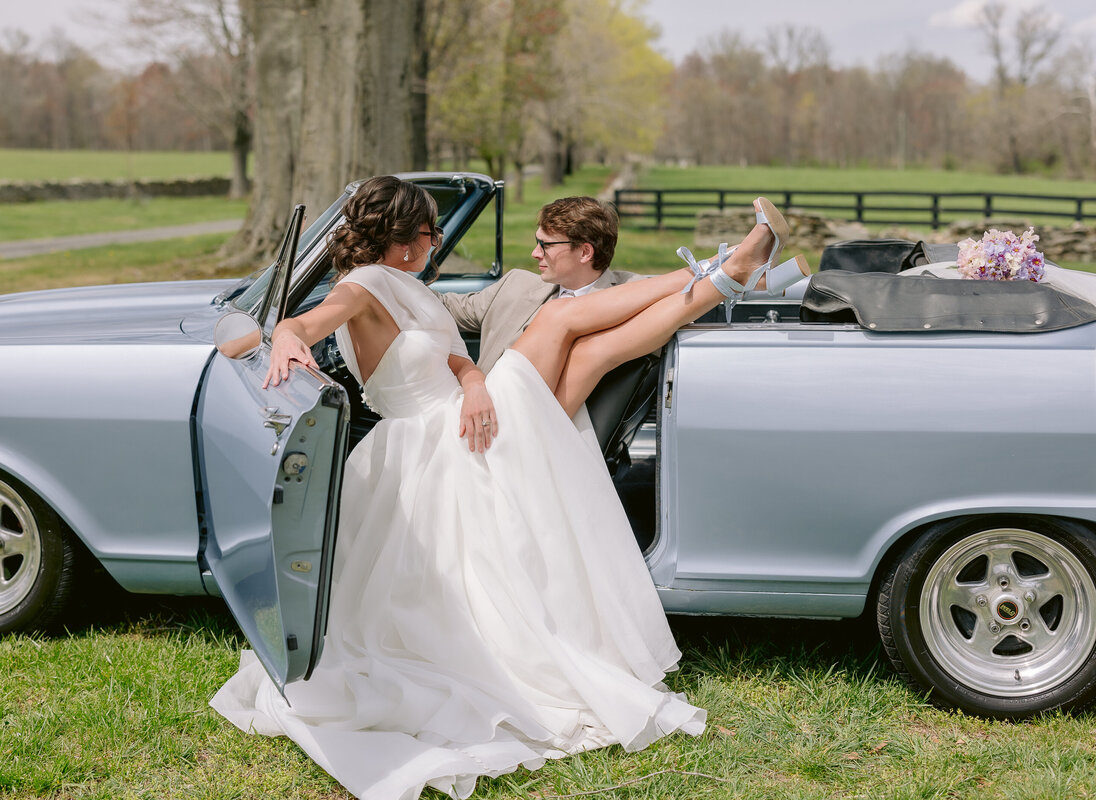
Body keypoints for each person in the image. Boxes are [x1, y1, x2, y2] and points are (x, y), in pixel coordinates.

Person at [210, 176, 795, 800]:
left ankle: (733, 272)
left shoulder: (407, 285)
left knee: (590, 343)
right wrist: (286, 338)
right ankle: (728, 269)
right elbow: (304, 322)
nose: (437, 242)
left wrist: (474, 384)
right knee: (570, 322)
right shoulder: (366, 284)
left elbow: (452, 359)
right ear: (407, 241)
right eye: (433, 232)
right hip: (432, 438)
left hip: (464, 416)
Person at [440, 196, 641, 374]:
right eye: (538, 242)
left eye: (546, 245)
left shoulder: (629, 294)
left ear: (585, 252)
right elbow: (446, 306)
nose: (535, 253)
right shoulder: (515, 284)